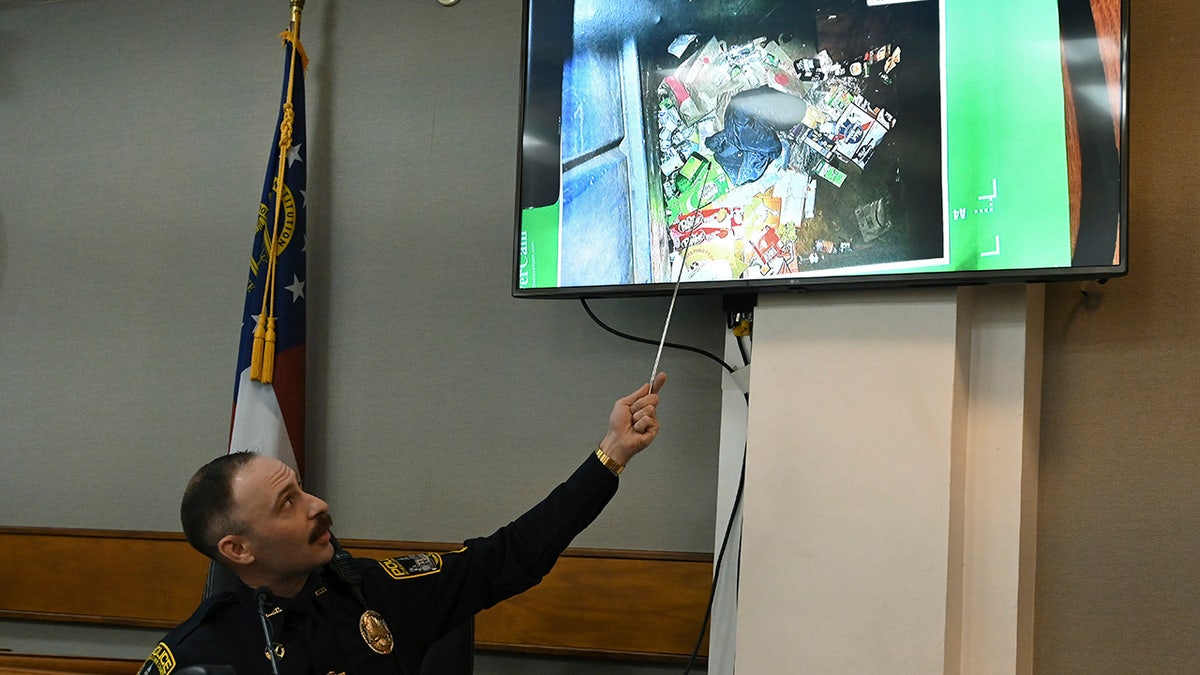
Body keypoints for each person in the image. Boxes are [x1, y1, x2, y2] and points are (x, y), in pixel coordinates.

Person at [139, 373, 667, 675]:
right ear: (237, 550)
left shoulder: (378, 591)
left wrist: (613, 453)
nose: (318, 504)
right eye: (287, 504)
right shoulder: (196, 659)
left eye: (301, 489)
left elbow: (510, 556)